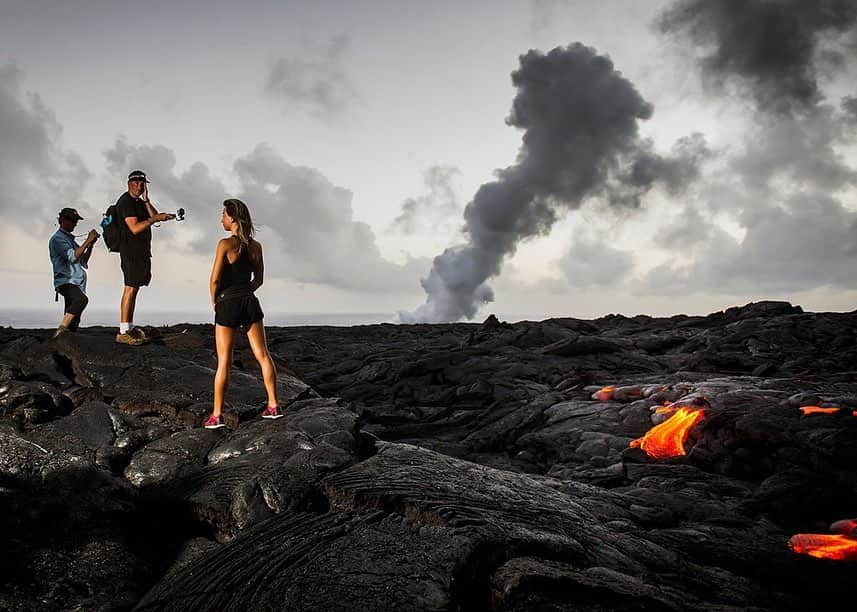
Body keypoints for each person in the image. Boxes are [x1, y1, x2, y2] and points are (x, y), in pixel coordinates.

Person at [204, 198, 282, 428]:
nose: (221, 219)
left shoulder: (224, 244)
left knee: (224, 361)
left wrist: (215, 301)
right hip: (249, 302)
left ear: (233, 218)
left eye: (223, 216)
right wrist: (246, 292)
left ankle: (216, 415)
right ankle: (274, 405)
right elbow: (258, 279)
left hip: (227, 303)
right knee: (263, 355)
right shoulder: (256, 247)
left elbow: (215, 279)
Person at [114, 170, 175, 345]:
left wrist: (147, 201)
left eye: (143, 183)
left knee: (134, 289)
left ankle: (129, 327)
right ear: (129, 183)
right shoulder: (125, 202)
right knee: (130, 288)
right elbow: (134, 227)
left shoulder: (138, 202)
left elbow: (153, 217)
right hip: (130, 251)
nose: (140, 186)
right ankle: (124, 331)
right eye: (137, 182)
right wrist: (154, 218)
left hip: (140, 252)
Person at [49, 208, 99, 337]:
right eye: (72, 220)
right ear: (63, 220)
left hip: (76, 282)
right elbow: (72, 256)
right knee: (81, 300)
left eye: (76, 221)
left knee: (74, 320)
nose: (75, 224)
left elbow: (83, 261)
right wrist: (87, 240)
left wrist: (91, 244)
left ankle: (64, 338)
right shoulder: (57, 239)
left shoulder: (70, 239)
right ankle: (61, 331)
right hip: (66, 281)